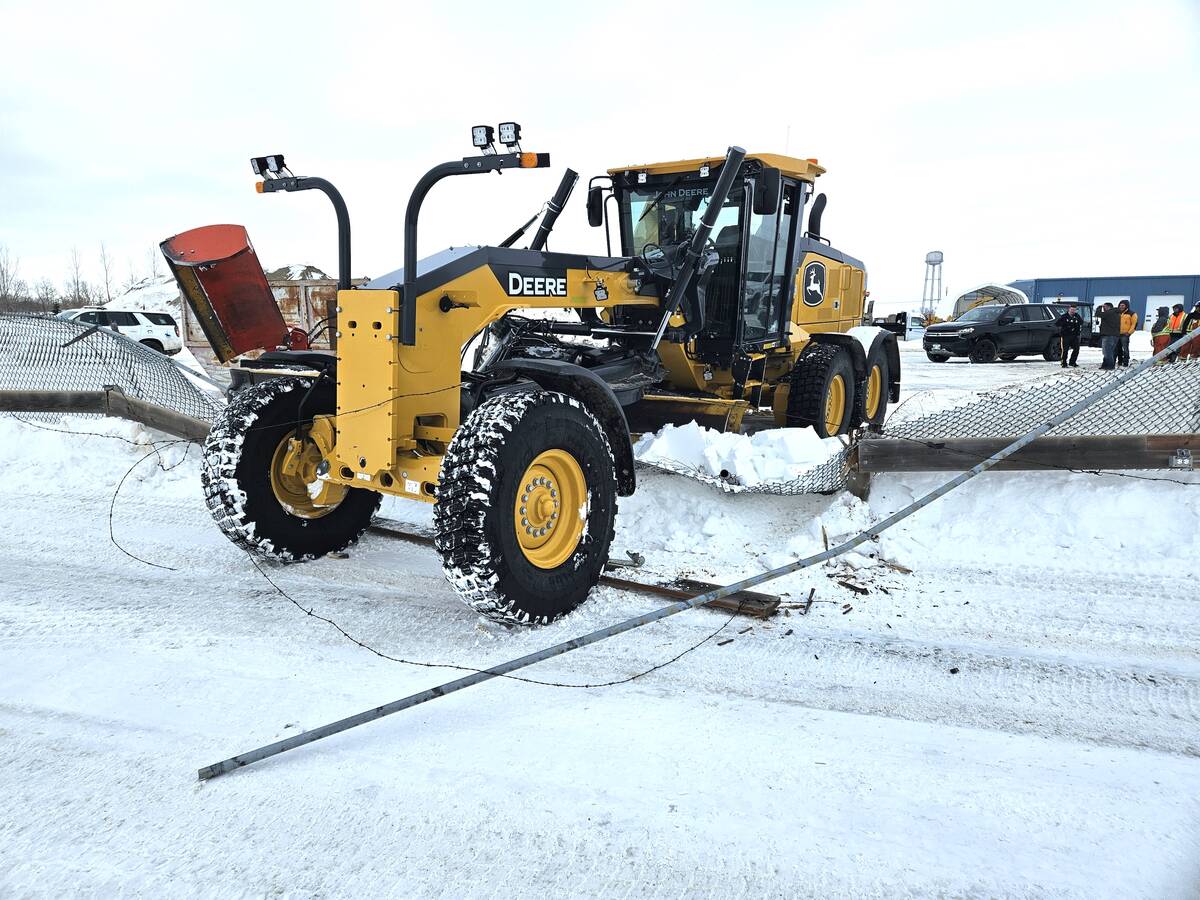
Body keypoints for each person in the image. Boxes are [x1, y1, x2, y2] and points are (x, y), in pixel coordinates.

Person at [1055, 303, 1084, 368]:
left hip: (1074, 335)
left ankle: (1072, 362)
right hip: (1066, 336)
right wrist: (1067, 325)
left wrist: (1076, 323)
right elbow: (1057, 324)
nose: (1073, 311)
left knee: (1076, 349)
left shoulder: (1077, 316)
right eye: (1071, 309)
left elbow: (1081, 322)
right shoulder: (1064, 316)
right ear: (1069, 309)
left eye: (1074, 310)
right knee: (1065, 350)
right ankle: (1064, 363)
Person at [1096, 302, 1122, 370]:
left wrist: (1099, 307)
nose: (1103, 309)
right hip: (1115, 335)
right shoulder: (1117, 313)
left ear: (1108, 307)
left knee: (1107, 352)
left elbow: (1098, 314)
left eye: (1104, 307)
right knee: (1110, 351)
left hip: (1108, 335)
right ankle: (1105, 365)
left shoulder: (1109, 313)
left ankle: (1110, 366)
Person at [1116, 300, 1138, 367]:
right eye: (1120, 305)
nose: (1121, 307)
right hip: (1117, 334)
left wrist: (1129, 333)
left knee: (1125, 349)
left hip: (1125, 334)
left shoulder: (1132, 313)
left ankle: (1125, 362)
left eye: (1123, 305)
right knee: (1118, 349)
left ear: (1126, 306)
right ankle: (1119, 361)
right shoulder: (1117, 313)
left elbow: (1134, 324)